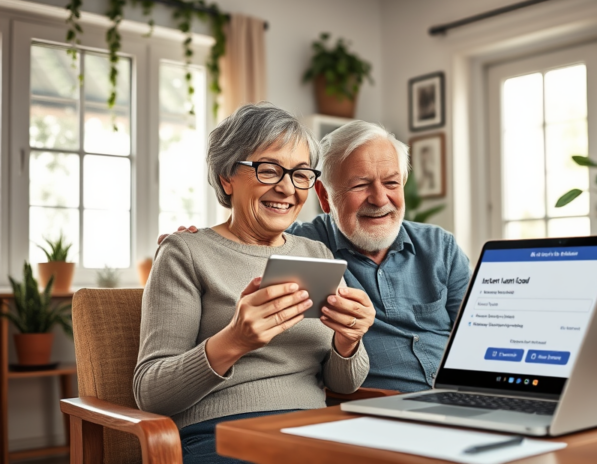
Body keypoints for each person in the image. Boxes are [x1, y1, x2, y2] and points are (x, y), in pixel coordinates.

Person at [135, 104, 374, 464]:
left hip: (314, 432)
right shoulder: (185, 253)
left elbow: (344, 385)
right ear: (227, 177)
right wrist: (235, 341)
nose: (286, 188)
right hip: (222, 436)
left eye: (300, 174)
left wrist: (348, 341)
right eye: (269, 170)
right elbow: (151, 393)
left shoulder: (317, 253)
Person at [162, 121, 470, 393]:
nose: (379, 199)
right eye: (360, 185)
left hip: (461, 396)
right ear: (324, 196)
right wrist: (198, 241)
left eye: (391, 183)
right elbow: (248, 238)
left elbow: (476, 336)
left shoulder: (440, 246)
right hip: (381, 408)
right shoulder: (306, 247)